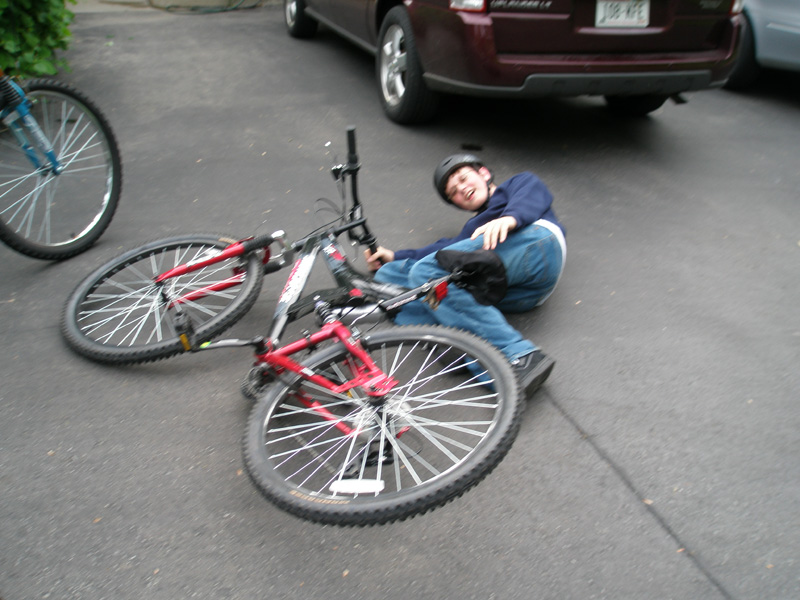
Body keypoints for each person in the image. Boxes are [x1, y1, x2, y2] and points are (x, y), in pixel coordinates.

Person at [364, 154, 566, 396]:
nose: (461, 189)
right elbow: (439, 250)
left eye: (463, 178)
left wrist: (510, 218)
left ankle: (517, 357)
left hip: (535, 243)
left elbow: (532, 188)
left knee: (426, 273)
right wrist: (394, 256)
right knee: (390, 276)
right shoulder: (472, 230)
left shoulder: (514, 188)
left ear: (484, 173)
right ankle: (456, 343)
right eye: (453, 193)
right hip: (512, 293)